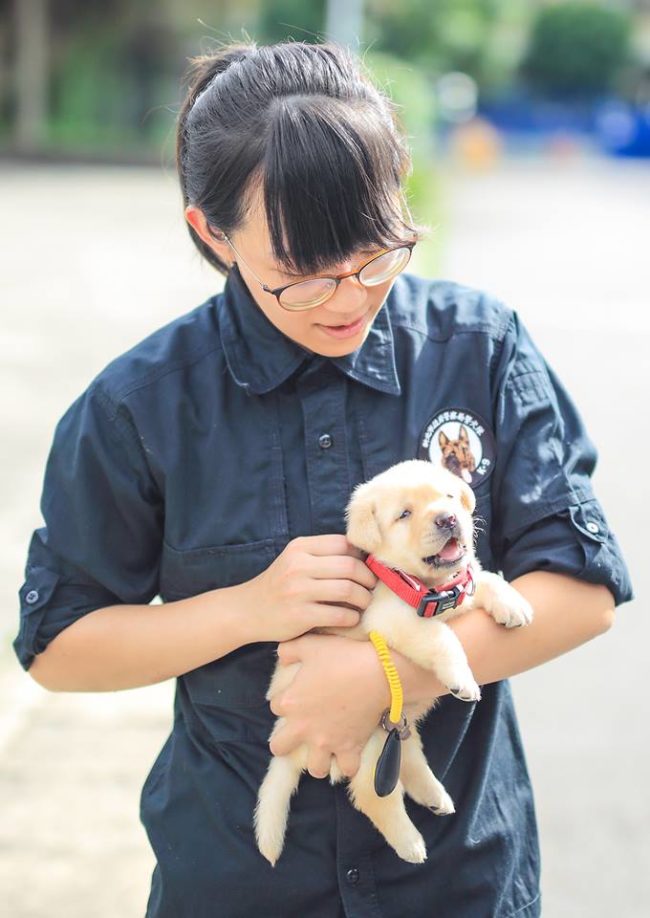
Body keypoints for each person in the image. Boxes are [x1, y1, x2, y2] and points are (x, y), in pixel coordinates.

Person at [14, 40, 633, 918]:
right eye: (300, 276)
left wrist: (395, 678)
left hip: (458, 883)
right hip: (238, 882)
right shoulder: (139, 409)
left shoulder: (478, 349)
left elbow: (583, 588)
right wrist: (248, 607)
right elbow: (58, 645)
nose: (347, 298)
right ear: (212, 233)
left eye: (377, 255)